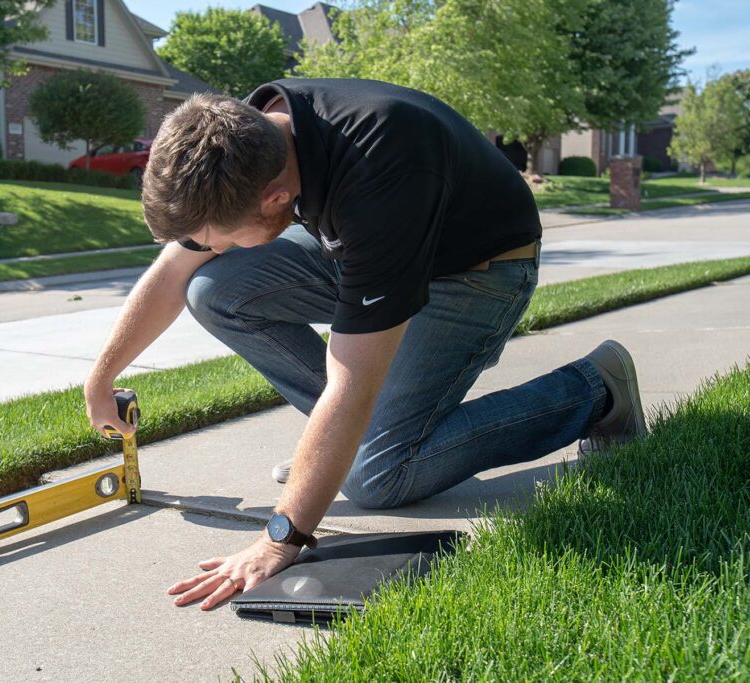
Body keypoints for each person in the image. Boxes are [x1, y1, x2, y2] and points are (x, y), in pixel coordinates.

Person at [83, 78, 646, 611]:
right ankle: (349, 446)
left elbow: (353, 382)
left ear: (276, 198)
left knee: (380, 476)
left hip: (476, 270)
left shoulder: (380, 178)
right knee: (214, 289)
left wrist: (283, 536)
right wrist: (101, 377)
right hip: (378, 243)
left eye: (221, 239)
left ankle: (594, 387)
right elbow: (174, 272)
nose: (218, 248)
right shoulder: (249, 139)